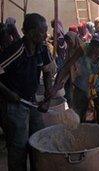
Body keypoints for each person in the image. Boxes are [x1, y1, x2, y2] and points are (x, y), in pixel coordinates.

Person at [0, 13, 53, 170]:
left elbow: (48, 71)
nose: (45, 35)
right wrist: (9, 93)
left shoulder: (42, 49)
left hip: (31, 101)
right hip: (13, 105)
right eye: (42, 32)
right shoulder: (16, 51)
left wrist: (48, 97)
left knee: (38, 141)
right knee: (18, 147)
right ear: (30, 33)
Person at [43, 35, 99, 126]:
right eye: (92, 47)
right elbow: (66, 66)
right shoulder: (84, 48)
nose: (93, 52)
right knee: (78, 113)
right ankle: (79, 133)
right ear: (90, 45)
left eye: (97, 50)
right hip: (82, 85)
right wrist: (55, 87)